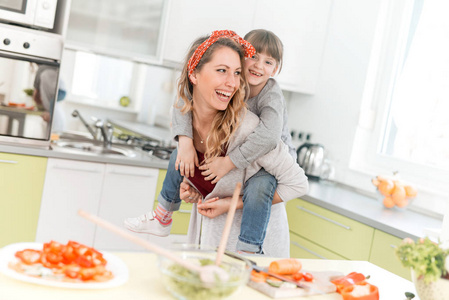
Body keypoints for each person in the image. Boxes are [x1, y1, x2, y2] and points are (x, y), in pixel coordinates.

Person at [124, 30, 308, 256]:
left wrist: (232, 180)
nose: (231, 82)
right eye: (222, 70)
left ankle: (251, 248)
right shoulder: (200, 116)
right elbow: (182, 102)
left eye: (235, 73)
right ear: (194, 75)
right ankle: (163, 215)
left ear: (275, 69)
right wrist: (191, 179)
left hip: (256, 249)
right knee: (177, 158)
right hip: (209, 245)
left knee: (260, 186)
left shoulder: (260, 112)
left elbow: (280, 157)